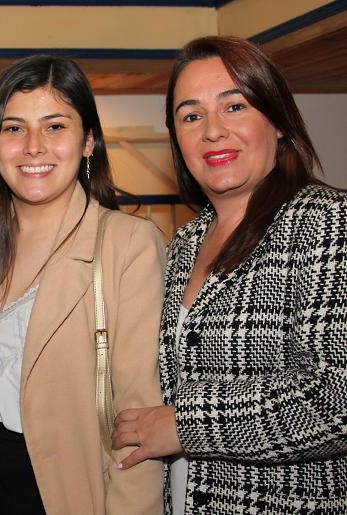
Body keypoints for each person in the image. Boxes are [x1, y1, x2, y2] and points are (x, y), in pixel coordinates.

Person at [112, 36, 347, 514]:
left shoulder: (327, 222)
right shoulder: (183, 244)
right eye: (191, 116)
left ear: (278, 121)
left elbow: (336, 401)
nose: (212, 131)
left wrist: (186, 425)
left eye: (234, 106)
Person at [0, 55, 164, 514]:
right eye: (14, 128)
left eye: (55, 127)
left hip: (58, 489)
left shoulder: (127, 245)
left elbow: (139, 416)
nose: (33, 147)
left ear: (88, 141)